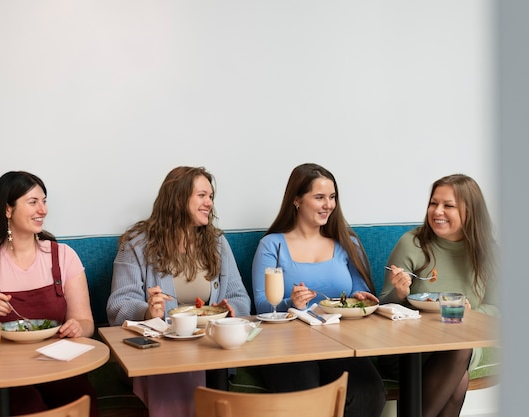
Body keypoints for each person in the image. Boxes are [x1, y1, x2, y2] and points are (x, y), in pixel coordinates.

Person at [0, 171, 100, 417]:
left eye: (44, 201)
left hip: (53, 366)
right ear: (7, 210)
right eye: (33, 202)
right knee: (26, 407)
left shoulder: (64, 256)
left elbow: (86, 322)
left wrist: (78, 328)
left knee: (82, 399)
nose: (43, 209)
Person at [106, 166, 251, 417]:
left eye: (211, 197)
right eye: (202, 195)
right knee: (178, 364)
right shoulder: (137, 244)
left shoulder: (217, 243)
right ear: (178, 198)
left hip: (209, 348)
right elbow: (118, 305)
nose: (209, 203)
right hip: (158, 350)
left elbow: (240, 297)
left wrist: (231, 310)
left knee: (199, 361)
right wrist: (147, 310)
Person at [251, 163, 386, 417]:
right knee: (307, 399)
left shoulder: (347, 242)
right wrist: (291, 302)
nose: (329, 205)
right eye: (320, 197)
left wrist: (360, 296)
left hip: (339, 341)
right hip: (286, 345)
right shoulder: (272, 246)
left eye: (332, 197)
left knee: (369, 392)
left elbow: (359, 288)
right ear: (297, 200)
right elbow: (261, 303)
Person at [379, 173, 499, 417]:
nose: (437, 211)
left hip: (461, 348)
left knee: (459, 348)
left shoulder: (488, 252)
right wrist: (399, 293)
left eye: (448, 205)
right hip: (409, 351)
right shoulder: (411, 244)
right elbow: (381, 306)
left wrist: (471, 313)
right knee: (460, 378)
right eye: (433, 203)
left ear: (470, 211)